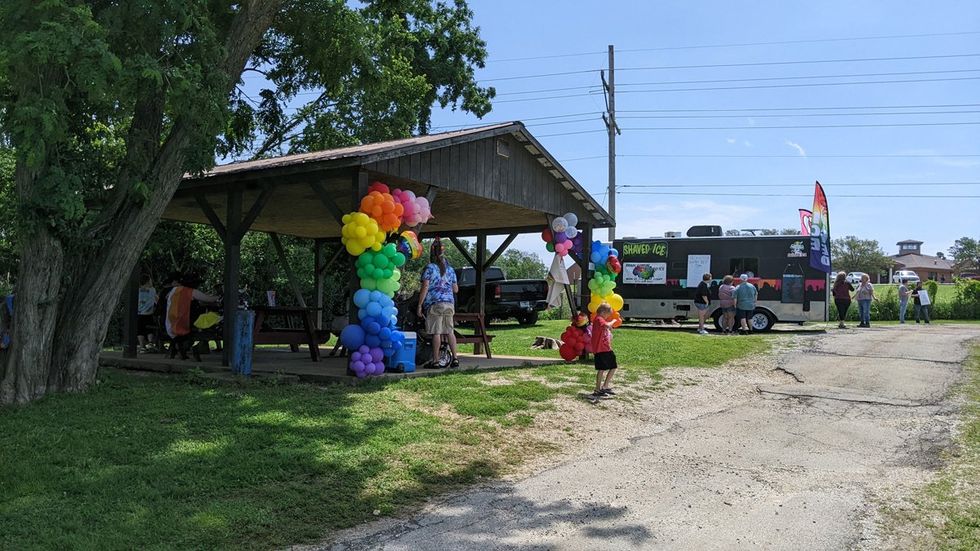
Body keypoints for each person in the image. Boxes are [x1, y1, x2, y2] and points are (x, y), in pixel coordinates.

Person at [417, 239, 459, 368]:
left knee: (436, 332)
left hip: (435, 303)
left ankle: (435, 361)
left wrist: (420, 305)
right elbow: (456, 289)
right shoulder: (450, 270)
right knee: (449, 331)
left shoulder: (430, 268)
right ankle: (455, 359)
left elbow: (425, 287)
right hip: (449, 303)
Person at [165, 273, 219, 359]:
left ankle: (179, 348)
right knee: (216, 319)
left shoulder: (174, 290)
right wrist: (220, 296)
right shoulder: (191, 291)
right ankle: (189, 346)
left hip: (171, 321)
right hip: (185, 321)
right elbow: (208, 299)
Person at [590, 302, 618, 400]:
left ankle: (605, 387)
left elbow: (605, 328)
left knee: (613, 366)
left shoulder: (600, 320)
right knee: (601, 369)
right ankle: (597, 389)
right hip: (600, 349)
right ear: (603, 312)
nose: (607, 317)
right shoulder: (598, 319)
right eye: (607, 314)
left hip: (606, 348)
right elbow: (606, 325)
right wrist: (613, 321)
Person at [136, 274, 158, 352]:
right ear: (148, 281)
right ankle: (150, 343)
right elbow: (156, 300)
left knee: (140, 330)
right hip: (149, 313)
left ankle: (142, 346)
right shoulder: (152, 290)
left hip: (139, 313)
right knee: (150, 330)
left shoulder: (137, 290)